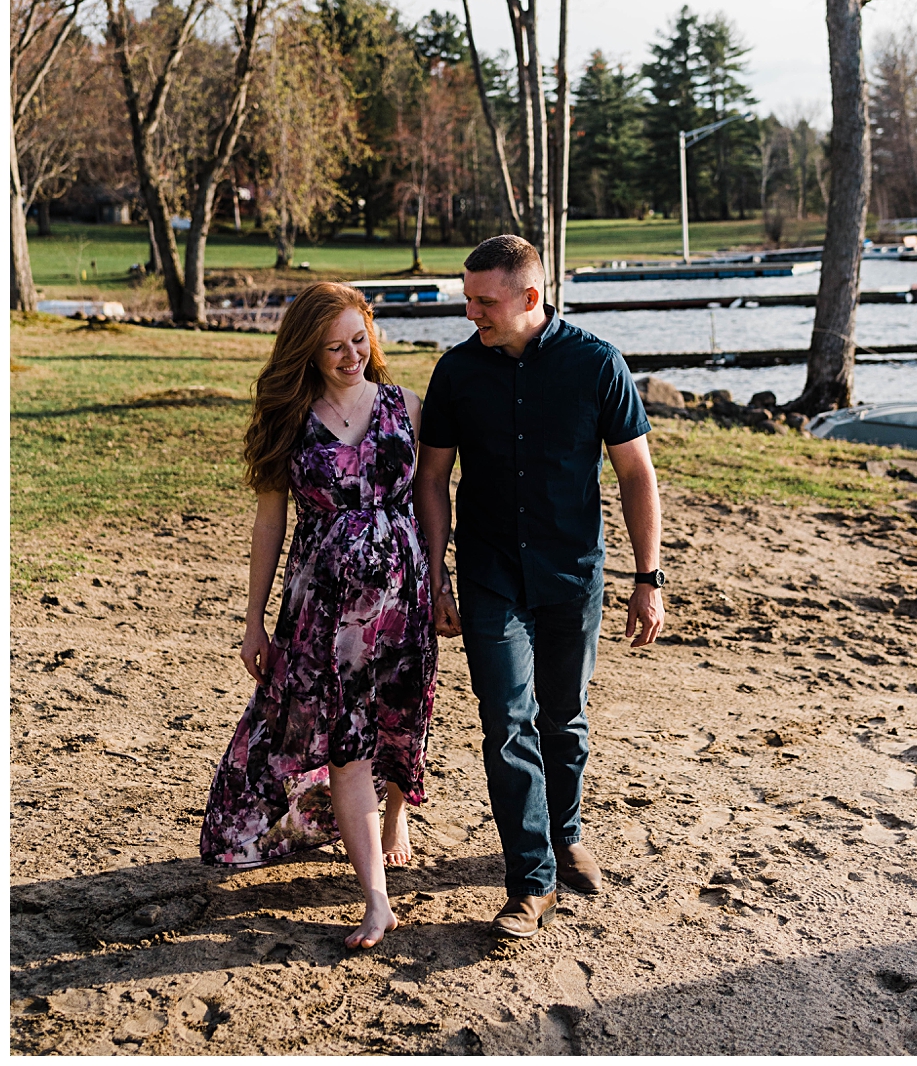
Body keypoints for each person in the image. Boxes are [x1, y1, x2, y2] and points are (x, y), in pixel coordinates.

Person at [414, 235, 665, 940]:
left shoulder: (596, 365)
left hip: (571, 577)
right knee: (507, 725)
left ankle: (567, 833)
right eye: (466, 299)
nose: (471, 314)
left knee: (564, 719)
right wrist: (434, 574)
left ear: (530, 297)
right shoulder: (457, 373)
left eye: (484, 301)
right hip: (491, 575)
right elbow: (433, 478)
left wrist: (648, 579)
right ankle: (531, 882)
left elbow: (636, 475)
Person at [200, 282, 437, 951]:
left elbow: (431, 504)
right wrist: (254, 620)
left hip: (401, 603)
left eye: (359, 339)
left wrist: (441, 586)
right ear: (307, 350)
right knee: (344, 744)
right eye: (333, 347)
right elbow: (269, 521)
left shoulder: (408, 407)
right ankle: (376, 901)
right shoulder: (289, 416)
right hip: (322, 616)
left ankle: (397, 818)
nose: (350, 355)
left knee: (402, 718)